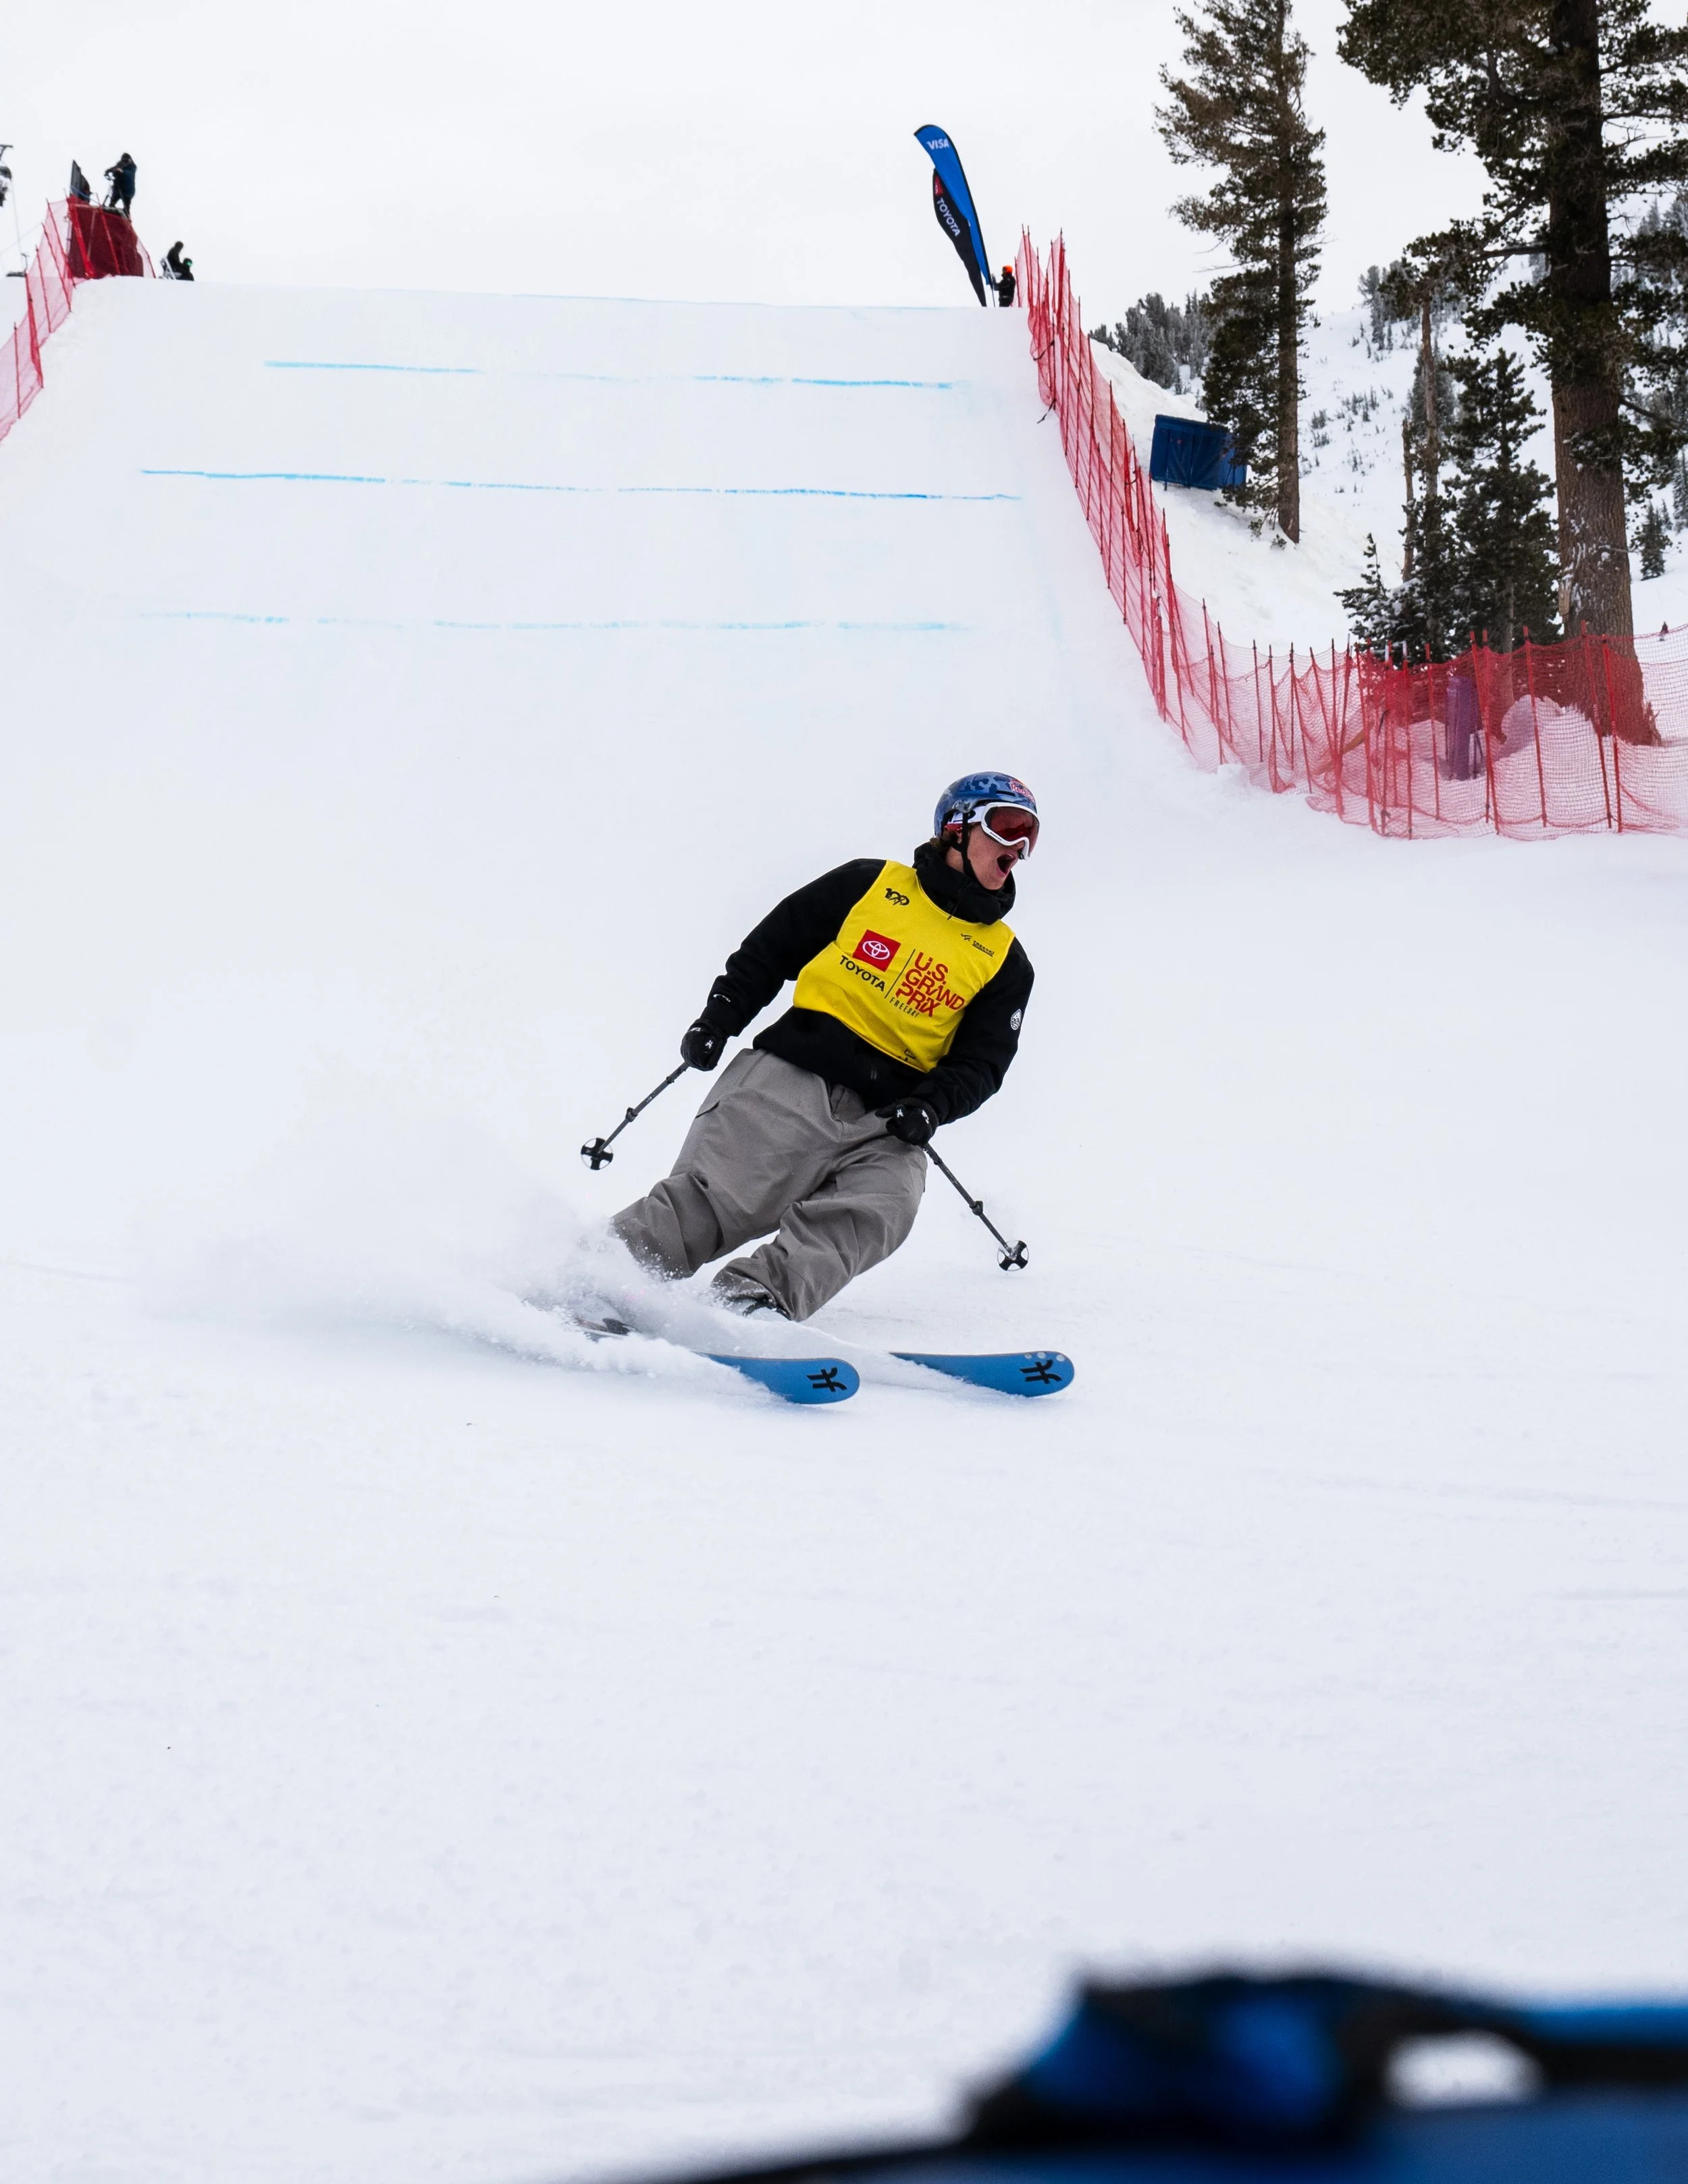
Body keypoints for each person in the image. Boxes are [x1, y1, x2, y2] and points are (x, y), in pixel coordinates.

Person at [610, 773, 1039, 1322]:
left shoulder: (1005, 960)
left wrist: (932, 1105)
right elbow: (772, 945)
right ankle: (601, 1272)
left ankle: (753, 1300)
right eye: (1007, 826)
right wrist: (721, 1015)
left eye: (1030, 834)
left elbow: (984, 1061)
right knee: (720, 1202)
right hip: (793, 1074)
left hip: (890, 1117)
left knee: (886, 1202)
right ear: (956, 828)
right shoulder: (871, 884)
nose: (1019, 848)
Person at [104, 154, 136, 219]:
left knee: (126, 207)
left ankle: (127, 217)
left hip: (127, 190)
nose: (124, 162)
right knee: (112, 204)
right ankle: (110, 216)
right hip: (118, 188)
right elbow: (115, 168)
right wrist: (108, 171)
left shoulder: (132, 167)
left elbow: (130, 174)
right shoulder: (120, 164)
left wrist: (122, 172)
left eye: (126, 160)